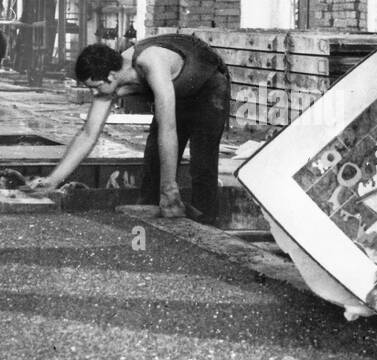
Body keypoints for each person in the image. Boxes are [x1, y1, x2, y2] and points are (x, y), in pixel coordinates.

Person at [31, 34, 230, 224]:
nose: (94, 93)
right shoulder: (109, 81)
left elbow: (167, 129)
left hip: (209, 85)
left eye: (95, 87)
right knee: (154, 161)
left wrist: (169, 188)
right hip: (178, 91)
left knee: (203, 163)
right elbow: (88, 134)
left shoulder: (151, 61)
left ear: (111, 75)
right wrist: (53, 180)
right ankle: (152, 221)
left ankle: (206, 226)